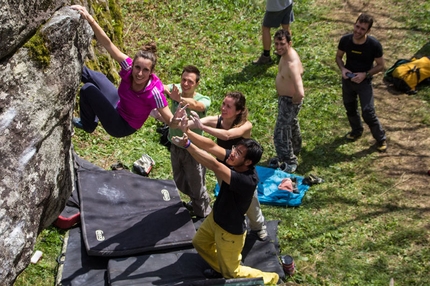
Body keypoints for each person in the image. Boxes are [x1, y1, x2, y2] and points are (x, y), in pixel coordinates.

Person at [171, 119, 279, 285]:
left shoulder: (246, 180)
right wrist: (188, 132)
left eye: (239, 153)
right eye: (236, 148)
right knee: (199, 243)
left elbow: (214, 164)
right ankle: (222, 267)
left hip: (230, 232)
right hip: (215, 218)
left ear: (248, 162)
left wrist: (188, 146)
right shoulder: (237, 161)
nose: (233, 152)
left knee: (233, 272)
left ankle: (270, 279)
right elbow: (212, 147)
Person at [70, 5, 181, 137]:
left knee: (88, 89)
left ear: (151, 72)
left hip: (122, 125)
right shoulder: (127, 66)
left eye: (145, 70)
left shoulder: (154, 93)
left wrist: (175, 121)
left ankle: (88, 124)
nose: (139, 73)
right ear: (132, 65)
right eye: (137, 67)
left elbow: (169, 120)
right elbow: (108, 44)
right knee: (92, 75)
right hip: (118, 105)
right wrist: (90, 19)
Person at [190, 92, 268, 240]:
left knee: (250, 203)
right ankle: (223, 226)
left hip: (243, 172)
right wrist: (175, 121)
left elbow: (227, 135)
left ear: (238, 111)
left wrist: (202, 127)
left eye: (228, 106)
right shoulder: (217, 120)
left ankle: (259, 226)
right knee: (226, 198)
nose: (223, 108)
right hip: (224, 168)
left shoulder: (245, 125)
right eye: (223, 104)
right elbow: (194, 123)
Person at [335, 13, 387, 152]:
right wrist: (343, 69)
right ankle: (356, 130)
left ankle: (380, 139)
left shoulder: (374, 45)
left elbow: (381, 65)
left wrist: (366, 74)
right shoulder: (345, 40)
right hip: (348, 80)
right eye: (357, 26)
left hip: (364, 82)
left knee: (368, 112)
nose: (358, 31)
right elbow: (339, 57)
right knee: (350, 107)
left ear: (368, 31)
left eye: (362, 29)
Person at [165, 65, 212, 218]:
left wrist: (179, 99)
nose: (185, 84)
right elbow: (159, 86)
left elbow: (199, 106)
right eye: (183, 80)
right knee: (179, 180)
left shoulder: (203, 99)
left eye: (190, 82)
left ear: (197, 84)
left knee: (196, 183)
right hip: (175, 145)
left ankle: (203, 214)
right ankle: (197, 200)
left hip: (193, 149)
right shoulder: (176, 89)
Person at [271, 29, 304, 173]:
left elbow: (300, 92)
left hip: (290, 101)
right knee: (291, 123)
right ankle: (296, 148)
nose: (278, 47)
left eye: (282, 44)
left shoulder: (292, 64)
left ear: (289, 43)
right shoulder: (285, 54)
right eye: (276, 44)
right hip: (285, 99)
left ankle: (289, 160)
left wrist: (291, 104)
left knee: (281, 132)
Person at [253, 0, 294, 65]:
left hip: (275, 6)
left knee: (266, 28)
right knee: (286, 27)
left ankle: (266, 57)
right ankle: (286, 51)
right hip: (288, 3)